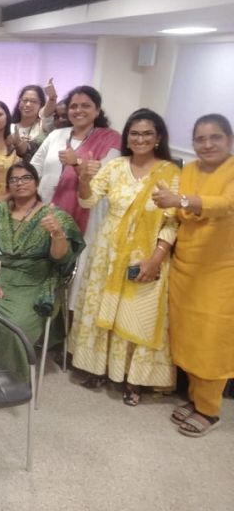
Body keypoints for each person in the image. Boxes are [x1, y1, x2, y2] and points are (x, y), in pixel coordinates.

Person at [69, 108, 180, 406]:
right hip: (107, 251)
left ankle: (135, 378)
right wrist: (82, 178)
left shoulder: (170, 172)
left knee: (137, 315)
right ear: (127, 136)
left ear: (158, 138)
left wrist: (157, 258)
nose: (140, 138)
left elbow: (172, 220)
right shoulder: (115, 166)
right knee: (102, 308)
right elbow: (88, 199)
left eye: (147, 133)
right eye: (134, 133)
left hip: (145, 254)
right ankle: (98, 367)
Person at [0, 162, 84, 378]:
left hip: (35, 281)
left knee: (15, 326)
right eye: (14, 180)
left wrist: (57, 234)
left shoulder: (56, 216)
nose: (19, 183)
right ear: (8, 186)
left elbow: (62, 258)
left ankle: (6, 377)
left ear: (37, 182)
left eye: (26, 178)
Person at [152, 113, 234, 436]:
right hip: (187, 264)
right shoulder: (190, 169)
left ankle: (210, 410)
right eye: (200, 138)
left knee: (210, 340)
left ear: (229, 140)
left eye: (215, 137)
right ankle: (196, 398)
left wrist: (182, 200)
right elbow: (183, 212)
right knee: (185, 334)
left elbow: (225, 204)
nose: (207, 144)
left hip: (221, 270)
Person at [30, 85, 120, 231]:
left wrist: (76, 162)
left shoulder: (110, 140)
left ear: (97, 111)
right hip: (45, 207)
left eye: (85, 106)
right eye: (73, 106)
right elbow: (34, 168)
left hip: (86, 213)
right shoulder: (56, 135)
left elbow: (107, 180)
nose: (78, 110)